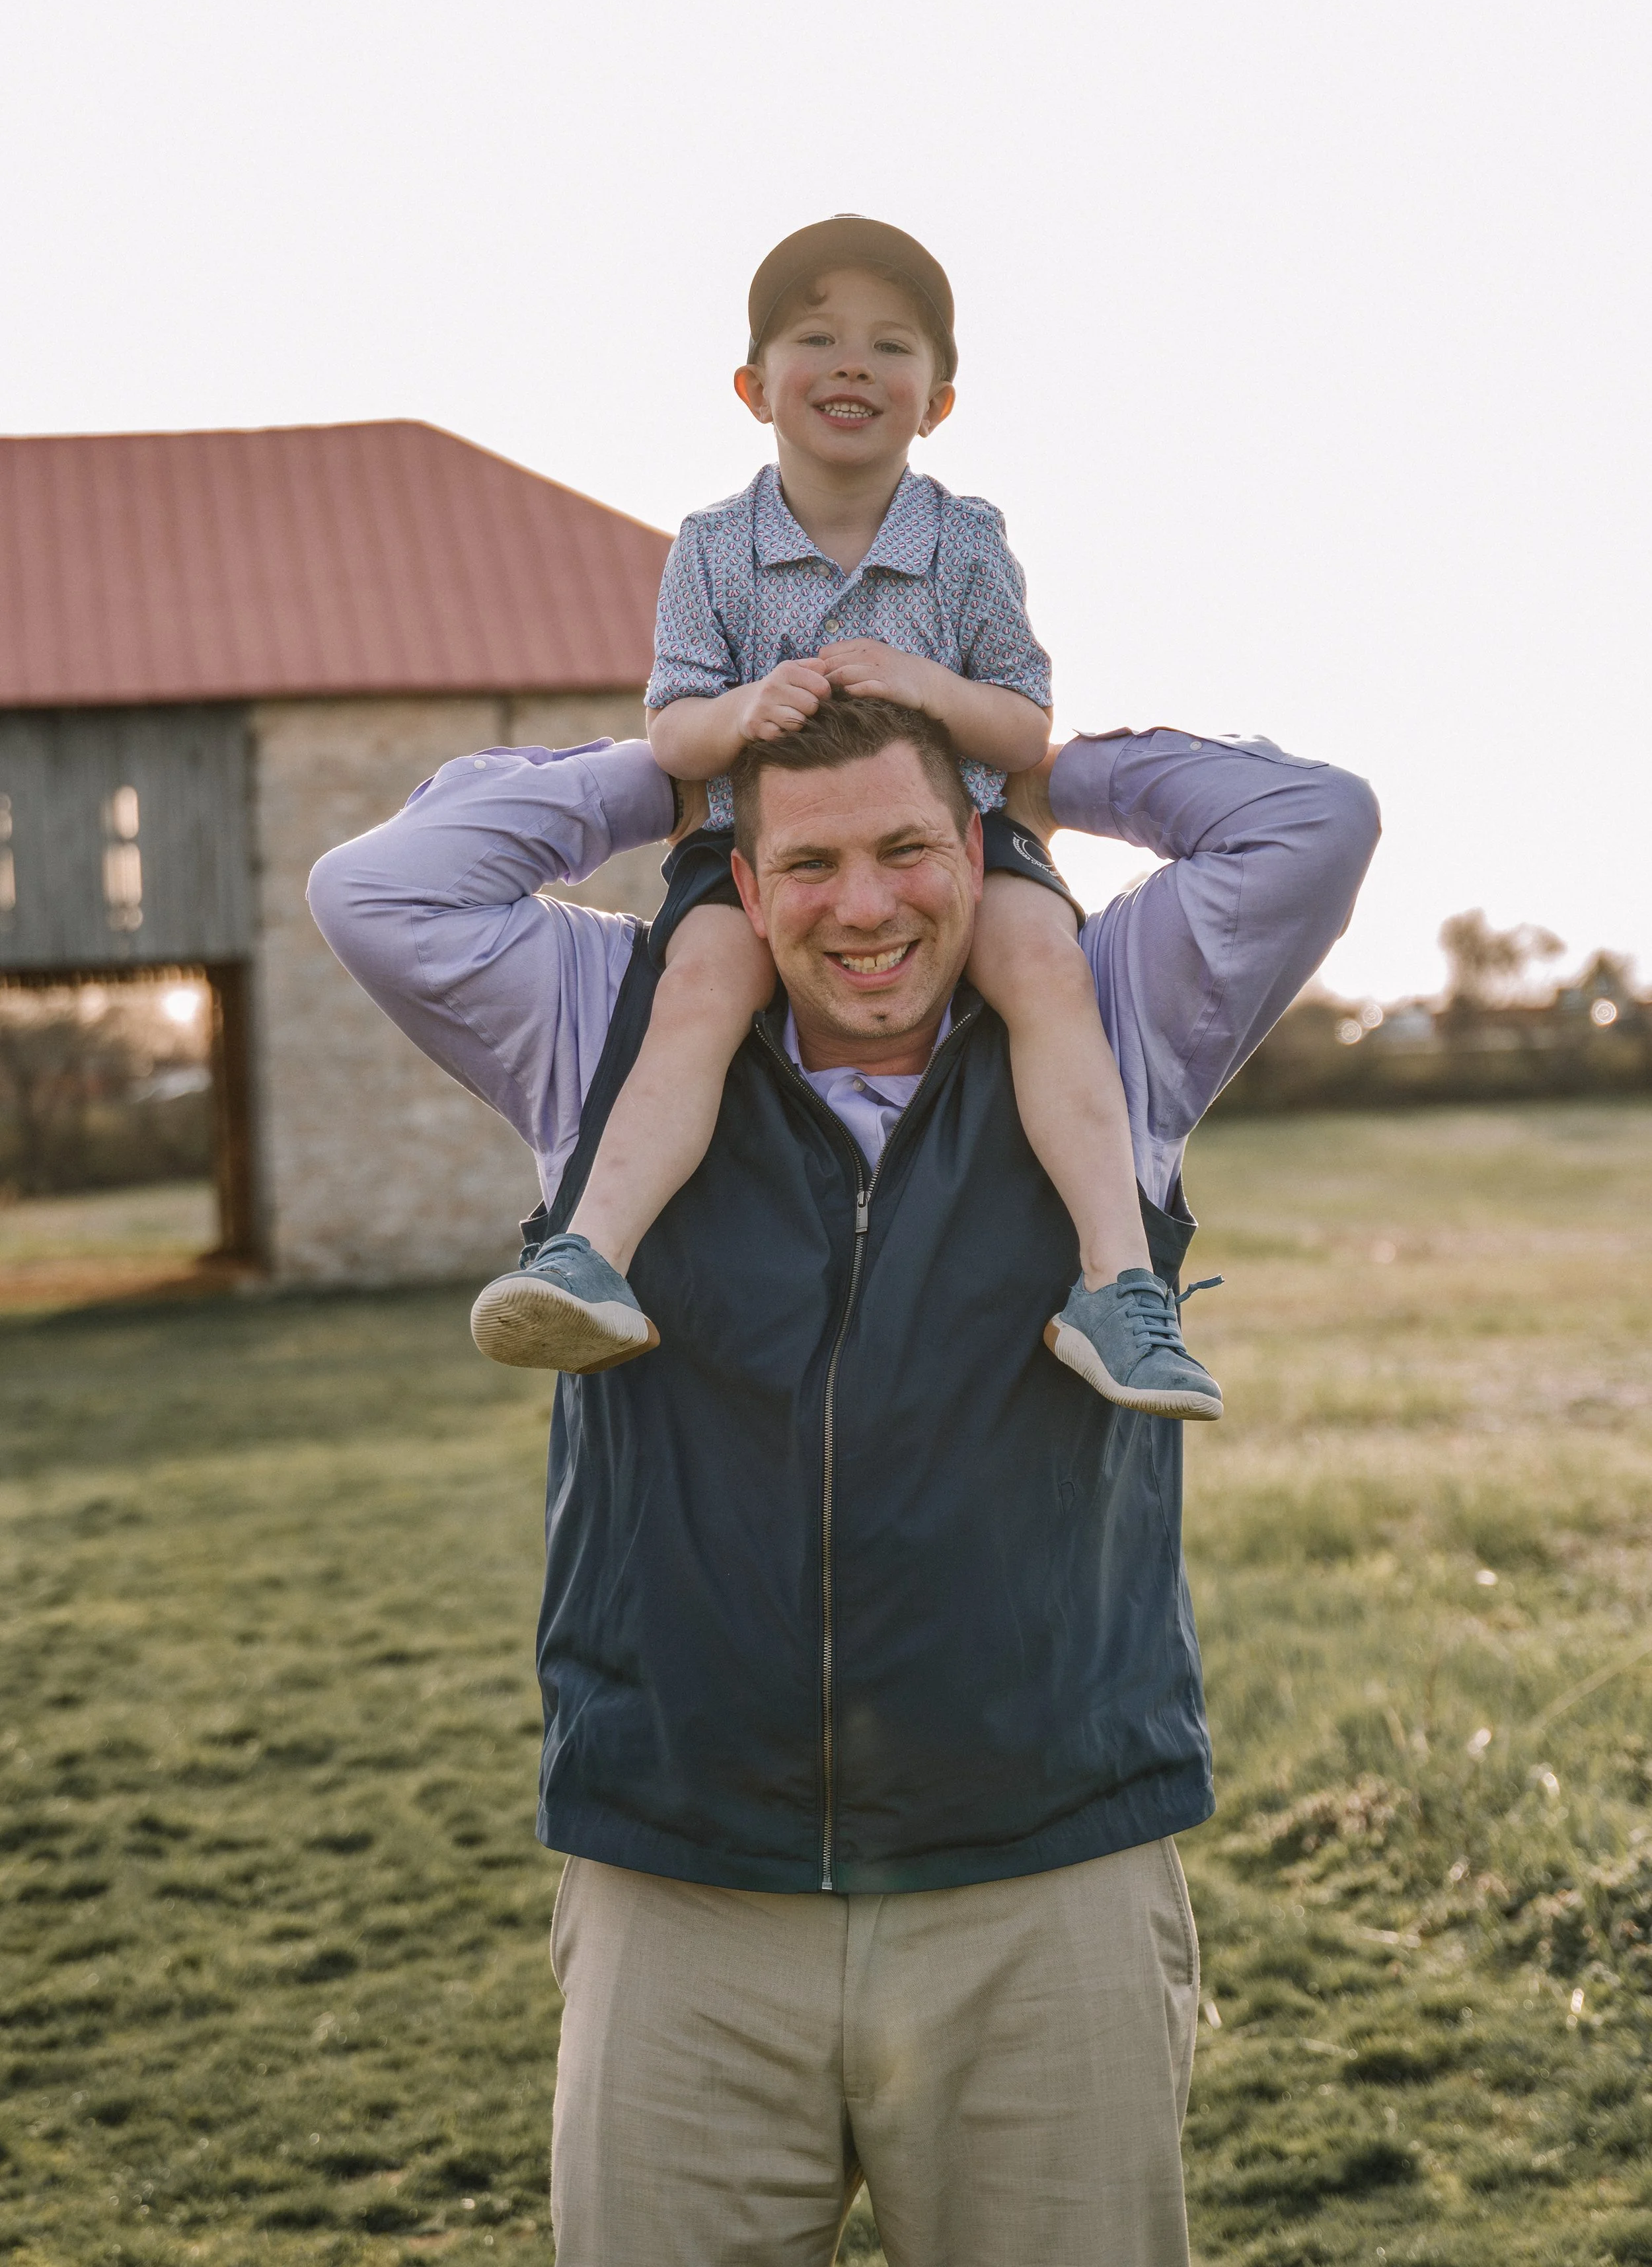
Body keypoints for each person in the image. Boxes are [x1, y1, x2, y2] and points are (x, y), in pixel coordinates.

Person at [308, 699, 1379, 2266]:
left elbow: (1316, 824)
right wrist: (680, 762)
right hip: (680, 1889)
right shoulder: (604, 1024)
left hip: (1045, 1879)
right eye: (805, 860)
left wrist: (1031, 761)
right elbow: (374, 892)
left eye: (905, 849)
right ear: (740, 884)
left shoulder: (1107, 1022)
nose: (864, 907)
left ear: (976, 854)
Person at [467, 215, 1222, 1421]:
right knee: (701, 985)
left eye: (892, 344)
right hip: (756, 854)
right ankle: (589, 1255)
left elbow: (1024, 731)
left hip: (962, 839)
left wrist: (929, 689)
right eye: (818, 336)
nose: (855, 362)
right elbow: (671, 733)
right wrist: (746, 710)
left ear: (940, 401)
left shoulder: (968, 544)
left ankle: (1118, 1284)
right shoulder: (714, 548)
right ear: (754, 385)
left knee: (1046, 970)